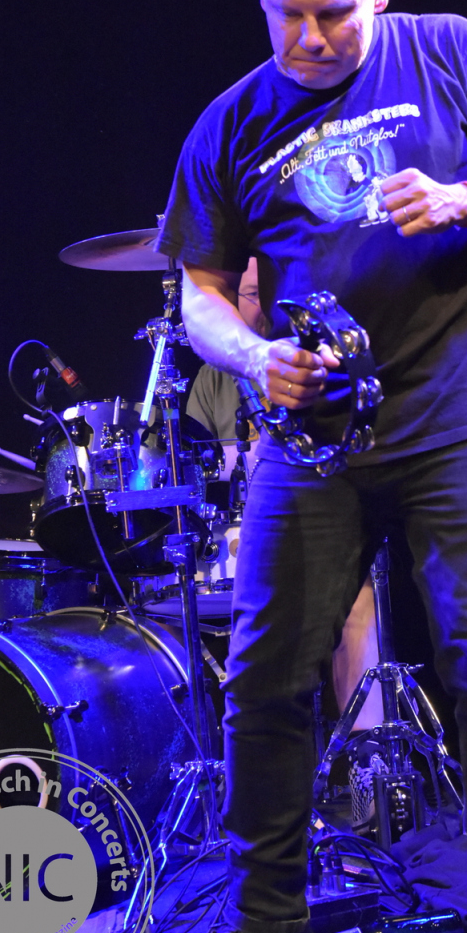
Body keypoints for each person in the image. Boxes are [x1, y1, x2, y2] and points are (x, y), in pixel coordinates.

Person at [147, 0, 467, 933]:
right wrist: (254, 359)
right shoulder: (230, 122)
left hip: (454, 412)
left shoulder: (448, 53)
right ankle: (269, 931)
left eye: (334, 12)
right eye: (287, 14)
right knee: (262, 678)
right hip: (312, 439)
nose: (309, 37)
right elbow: (198, 297)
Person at [186, 256, 384, 741]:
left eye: (267, 293)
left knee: (360, 594)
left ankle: (367, 751)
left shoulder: (323, 354)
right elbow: (198, 463)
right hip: (235, 538)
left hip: (324, 509)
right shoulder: (214, 376)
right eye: (252, 294)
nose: (262, 306)